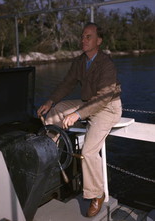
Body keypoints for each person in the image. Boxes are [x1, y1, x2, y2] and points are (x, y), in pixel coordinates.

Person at [37, 22, 122, 217]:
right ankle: (46, 155)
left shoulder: (106, 64)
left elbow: (103, 97)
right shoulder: (79, 62)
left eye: (88, 37)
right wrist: (50, 101)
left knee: (89, 150)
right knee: (57, 110)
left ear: (98, 41)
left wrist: (77, 114)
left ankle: (96, 194)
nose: (83, 40)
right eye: (82, 36)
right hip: (87, 103)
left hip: (107, 107)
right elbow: (67, 84)